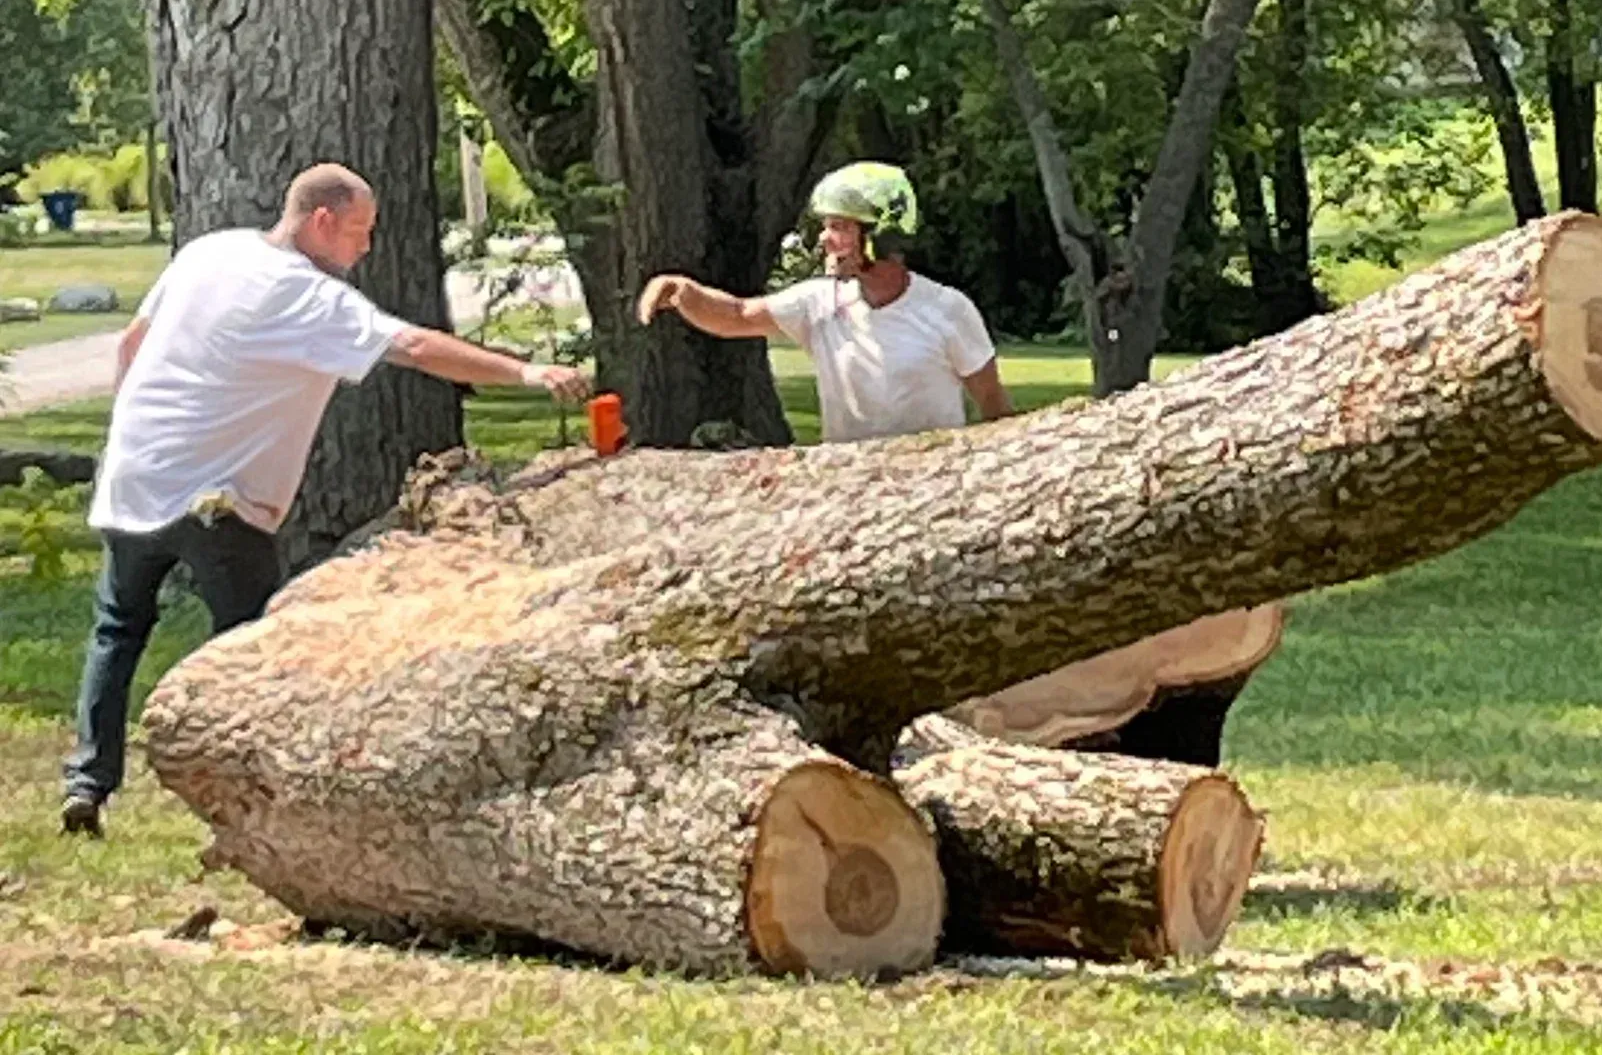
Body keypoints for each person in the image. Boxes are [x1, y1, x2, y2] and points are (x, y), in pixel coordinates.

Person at [62, 162, 590, 837]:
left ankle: (86, 782)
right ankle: (245, 807)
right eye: (359, 232)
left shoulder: (208, 252)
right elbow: (416, 346)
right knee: (249, 650)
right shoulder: (308, 297)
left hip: (134, 478)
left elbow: (132, 344)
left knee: (117, 629)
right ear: (321, 221)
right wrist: (526, 371)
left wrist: (134, 432)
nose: (365, 248)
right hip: (216, 502)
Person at [638, 162, 1012, 443]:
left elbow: (994, 407)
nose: (824, 240)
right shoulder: (818, 301)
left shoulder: (948, 310)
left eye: (840, 227)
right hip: (844, 491)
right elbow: (736, 315)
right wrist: (683, 291)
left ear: (879, 236)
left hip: (930, 492)